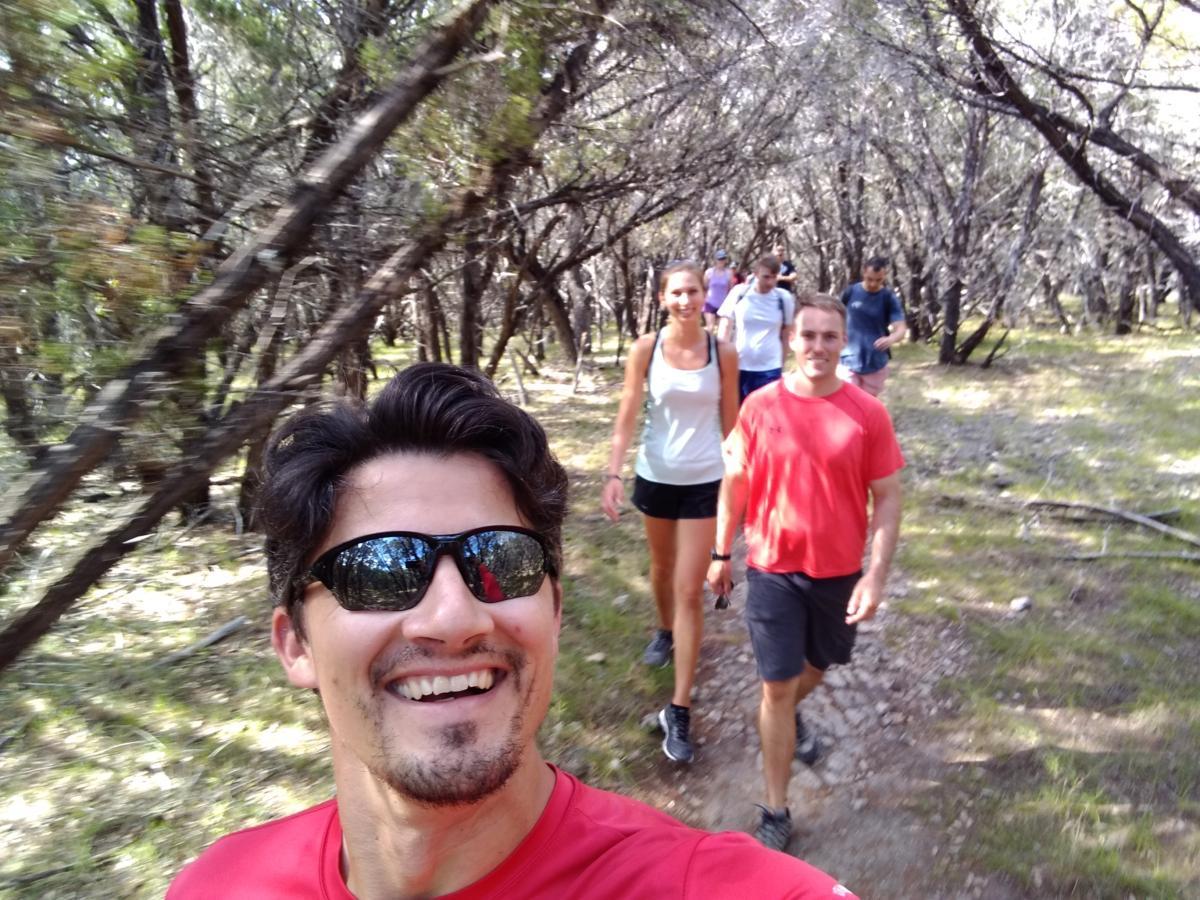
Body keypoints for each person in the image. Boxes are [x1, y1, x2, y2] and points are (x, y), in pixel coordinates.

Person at [169, 363, 857, 898]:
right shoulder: (213, 888)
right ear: (295, 644)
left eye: (502, 561)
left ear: (554, 613)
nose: (454, 618)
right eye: (380, 571)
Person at [708, 294, 904, 853]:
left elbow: (888, 497)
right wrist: (723, 553)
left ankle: (785, 721)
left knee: (817, 667)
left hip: (838, 573)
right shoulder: (761, 406)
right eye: (809, 335)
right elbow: (737, 484)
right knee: (775, 685)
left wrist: (876, 576)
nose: (818, 346)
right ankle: (776, 806)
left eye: (830, 337)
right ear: (791, 339)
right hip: (772, 568)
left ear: (844, 342)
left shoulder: (868, 413)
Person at [602, 260, 739, 765]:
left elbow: (732, 425)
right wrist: (613, 474)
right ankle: (664, 630)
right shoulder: (646, 348)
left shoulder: (723, 352)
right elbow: (627, 414)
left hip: (705, 480)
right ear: (663, 298)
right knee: (661, 571)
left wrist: (738, 486)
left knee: (690, 590)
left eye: (693, 291)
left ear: (707, 295)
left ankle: (678, 708)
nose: (685, 300)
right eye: (676, 292)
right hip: (656, 476)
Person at [716, 255, 795, 403]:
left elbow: (787, 334)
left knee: (766, 416)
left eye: (774, 277)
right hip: (739, 366)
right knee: (739, 415)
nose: (770, 282)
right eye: (766, 277)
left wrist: (781, 364)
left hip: (770, 367)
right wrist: (722, 362)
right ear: (756, 273)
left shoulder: (783, 299)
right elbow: (725, 328)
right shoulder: (740, 293)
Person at [837, 256, 907, 398]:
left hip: (875, 361)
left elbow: (901, 329)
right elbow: (834, 315)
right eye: (870, 279)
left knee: (868, 405)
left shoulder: (888, 298)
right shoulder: (850, 292)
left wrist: (891, 338)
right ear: (864, 273)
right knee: (847, 400)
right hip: (848, 359)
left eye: (878, 280)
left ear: (884, 276)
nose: (873, 284)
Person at [703, 249, 734, 332]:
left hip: (723, 305)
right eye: (719, 259)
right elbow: (704, 287)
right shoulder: (709, 272)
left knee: (722, 330)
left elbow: (731, 290)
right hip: (710, 303)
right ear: (715, 260)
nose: (721, 261)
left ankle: (716, 344)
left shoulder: (729, 273)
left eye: (723, 259)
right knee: (710, 328)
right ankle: (706, 342)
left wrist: (731, 303)